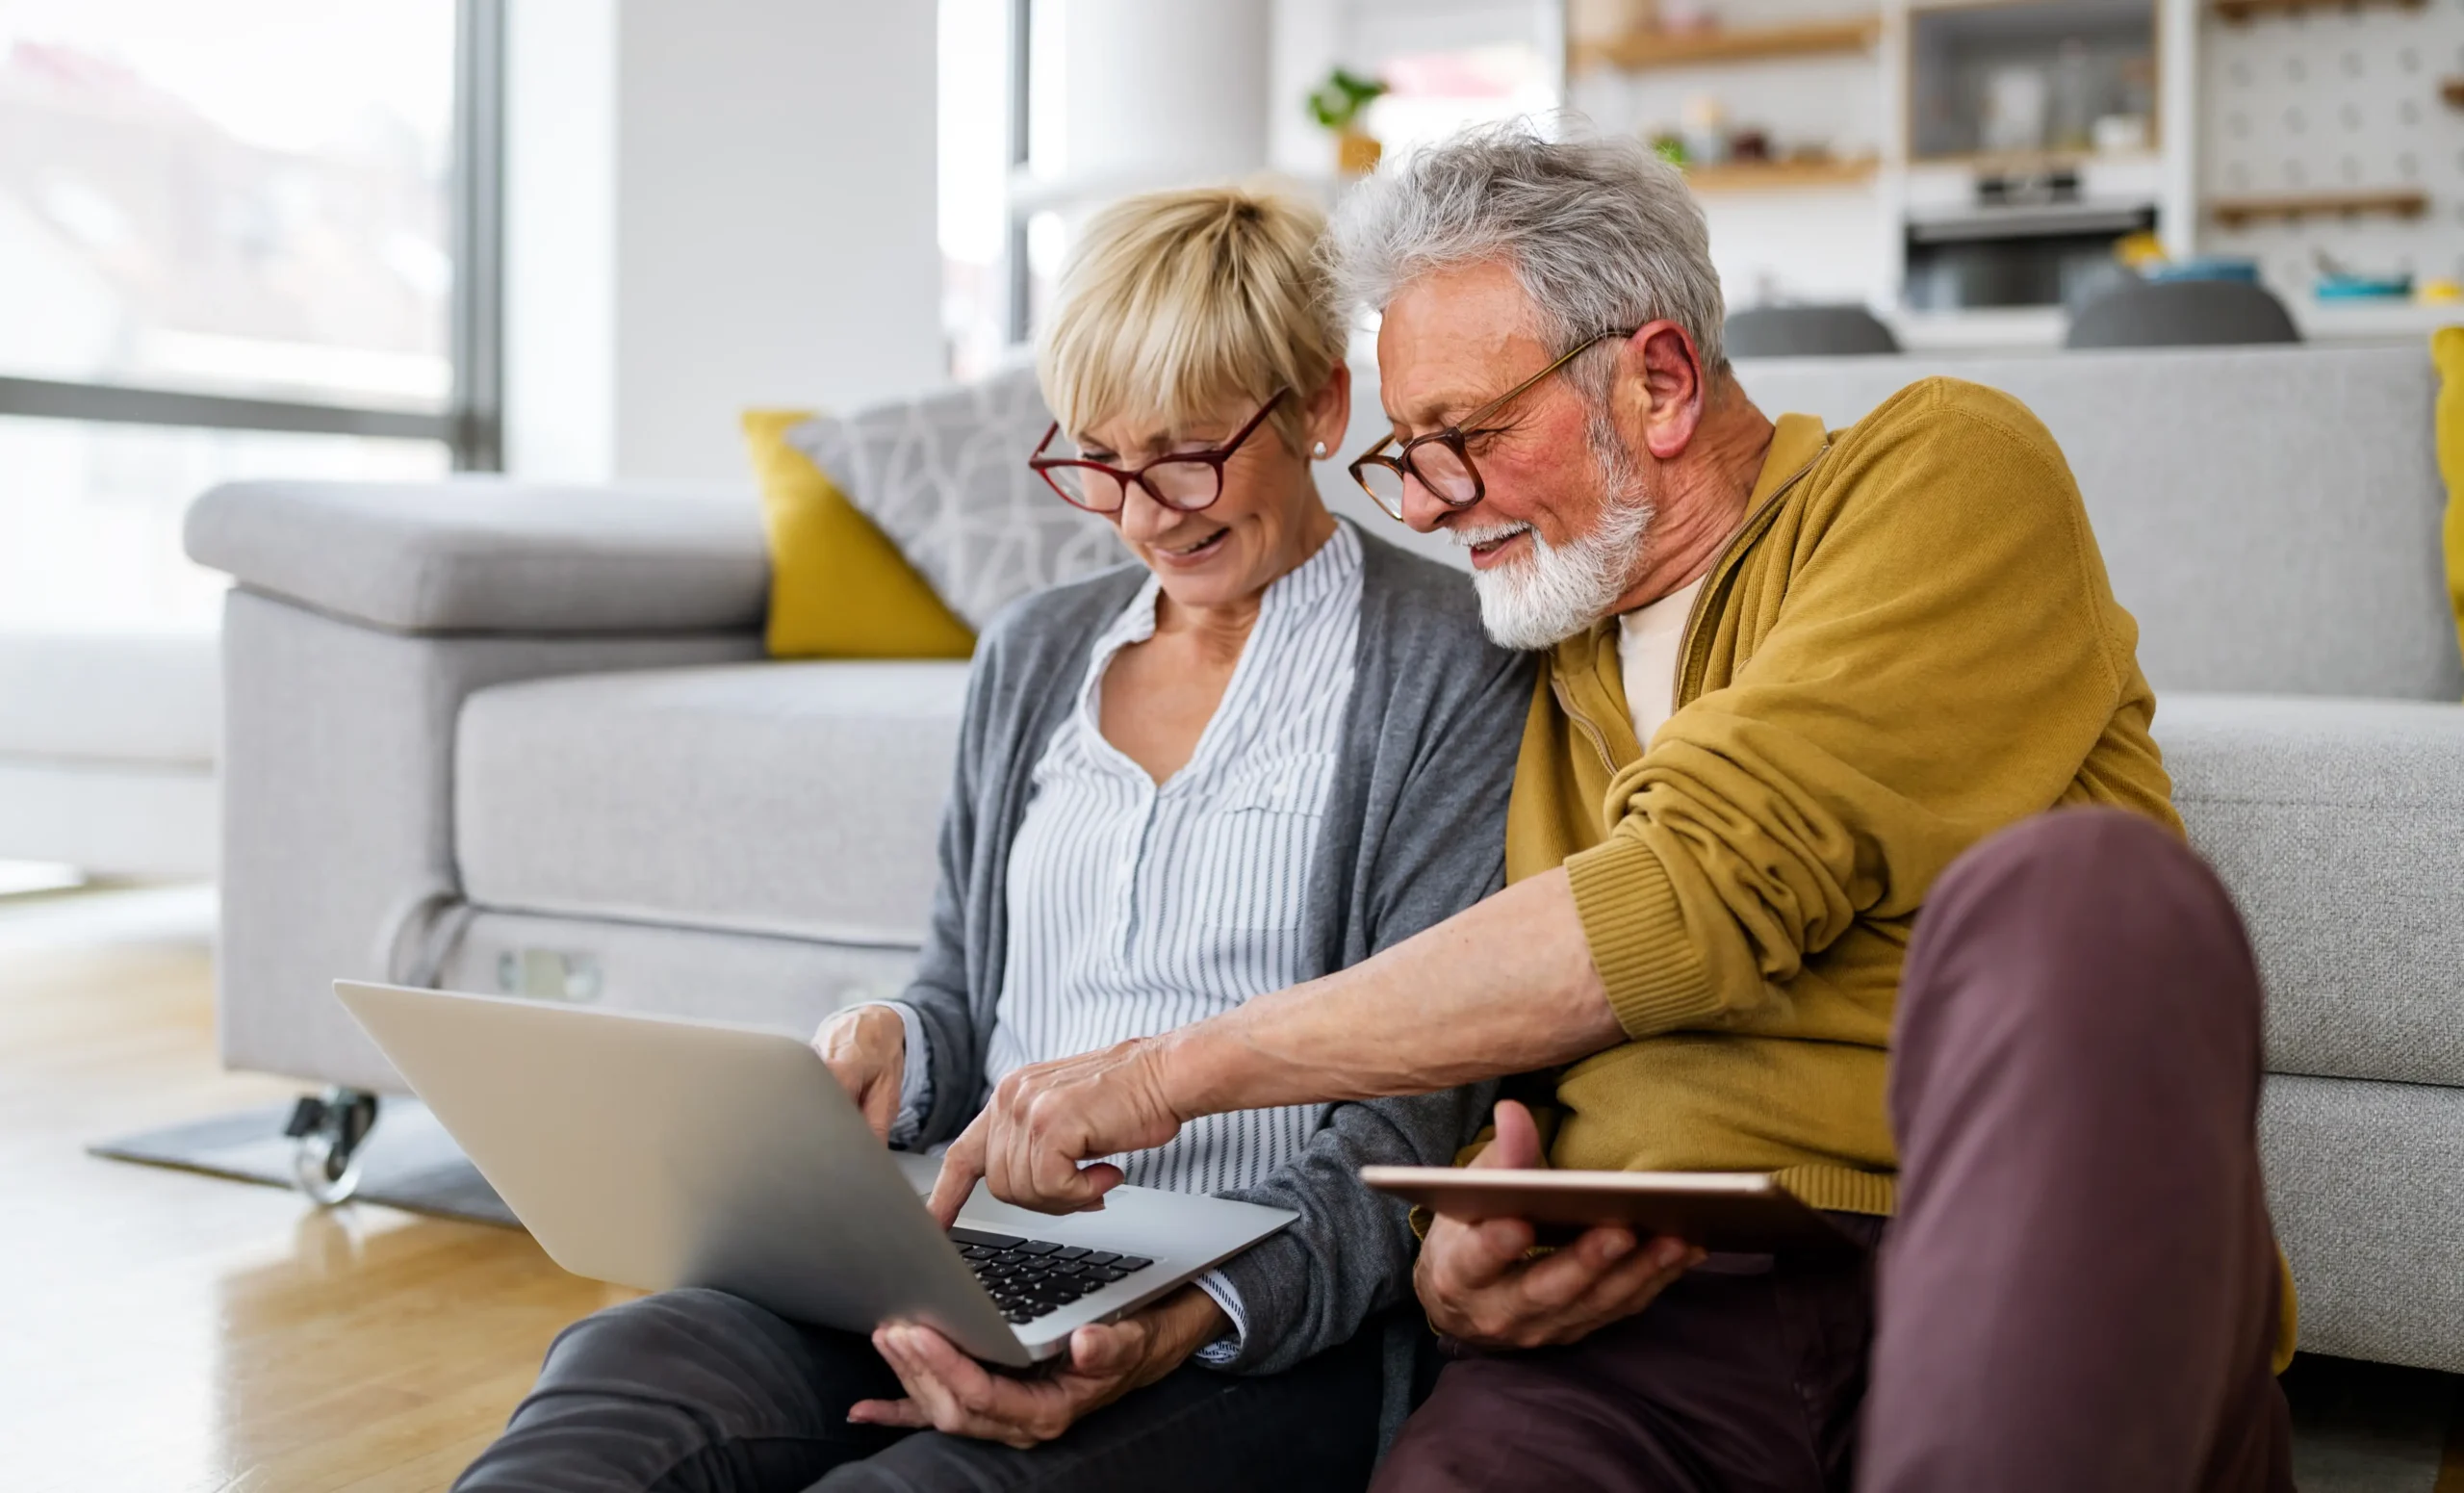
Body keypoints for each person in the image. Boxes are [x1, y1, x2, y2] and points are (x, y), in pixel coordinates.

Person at [925, 127, 2297, 1491]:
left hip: (1974, 1246)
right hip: (1644, 1320)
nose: (1433, 504)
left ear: (1657, 381)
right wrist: (1456, 1261)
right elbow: (1479, 1050)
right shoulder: (1533, 647)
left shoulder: (1939, 470)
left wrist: (1163, 1074)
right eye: (1409, 452)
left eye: (1464, 438)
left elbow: (1697, 890)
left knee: (2091, 895)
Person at [452, 184, 1533, 1493]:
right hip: (969, 1257)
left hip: (1250, 1323)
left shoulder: (1448, 663)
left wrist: (1172, 1321)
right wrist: (892, 1046)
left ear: (1316, 406)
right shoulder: (1037, 652)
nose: (1144, 510)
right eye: (1099, 459)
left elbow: (1409, 1119)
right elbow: (964, 996)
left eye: (1188, 451)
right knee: (635, 1376)